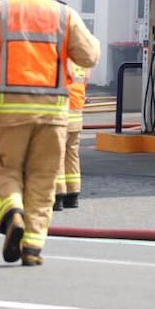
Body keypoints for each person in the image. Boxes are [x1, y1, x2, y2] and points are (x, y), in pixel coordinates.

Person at [0, 0, 100, 266]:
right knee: (44, 179)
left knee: (5, 170)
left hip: (9, 112)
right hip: (53, 114)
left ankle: (12, 213)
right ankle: (33, 247)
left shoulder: (0, 10)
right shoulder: (65, 14)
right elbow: (89, 56)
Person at [53, 61, 88, 211]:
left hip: (59, 112)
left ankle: (57, 195)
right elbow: (84, 83)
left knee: (55, 155)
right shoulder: (81, 62)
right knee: (72, 154)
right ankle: (73, 194)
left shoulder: (60, 57)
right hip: (76, 111)